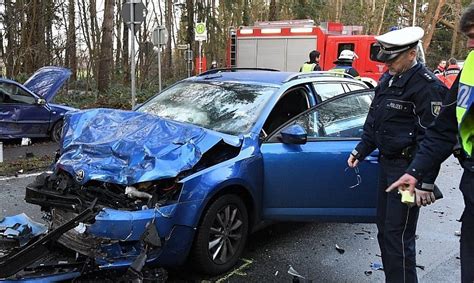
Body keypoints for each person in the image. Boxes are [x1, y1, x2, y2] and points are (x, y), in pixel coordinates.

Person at [347, 26, 447, 283]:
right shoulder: (388, 79)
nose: (387, 64)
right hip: (387, 166)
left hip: (407, 171)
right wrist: (362, 148)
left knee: (398, 236)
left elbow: (435, 139)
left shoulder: (428, 87)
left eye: (392, 59)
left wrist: (424, 181)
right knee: (385, 231)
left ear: (412, 54)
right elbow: (375, 121)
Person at [387, 4, 474, 282]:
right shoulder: (470, 67)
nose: (470, 44)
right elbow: (442, 129)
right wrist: (416, 173)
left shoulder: (426, 84)